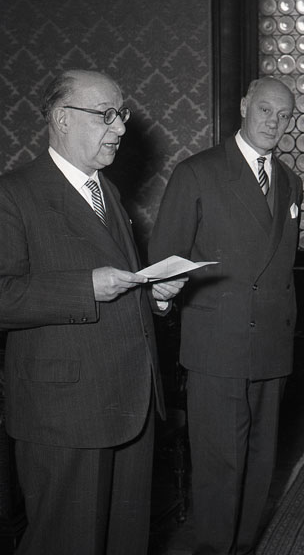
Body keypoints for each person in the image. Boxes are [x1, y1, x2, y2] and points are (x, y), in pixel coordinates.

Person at [0, 69, 186, 555]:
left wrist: (154, 295)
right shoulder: (13, 193)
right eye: (106, 115)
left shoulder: (108, 192)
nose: (121, 127)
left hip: (131, 403)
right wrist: (84, 288)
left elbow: (118, 282)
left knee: (126, 541)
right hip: (66, 414)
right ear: (62, 118)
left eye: (120, 115)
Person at [149, 76, 302, 555]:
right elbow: (164, 261)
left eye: (284, 116)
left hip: (272, 346)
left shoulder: (290, 181)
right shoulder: (198, 172)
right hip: (218, 346)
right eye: (266, 110)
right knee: (220, 469)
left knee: (260, 465)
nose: (274, 122)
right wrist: (162, 297)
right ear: (243, 106)